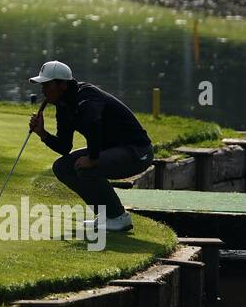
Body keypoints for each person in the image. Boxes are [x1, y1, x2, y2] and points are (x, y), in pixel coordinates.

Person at [26, 60, 152, 232]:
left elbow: (94, 124)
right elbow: (64, 147)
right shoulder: (63, 106)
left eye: (47, 85)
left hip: (137, 152)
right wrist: (43, 134)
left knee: (86, 168)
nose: (43, 90)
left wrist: (92, 158)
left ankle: (118, 217)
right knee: (62, 167)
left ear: (62, 85)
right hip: (112, 150)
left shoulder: (86, 96)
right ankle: (106, 215)